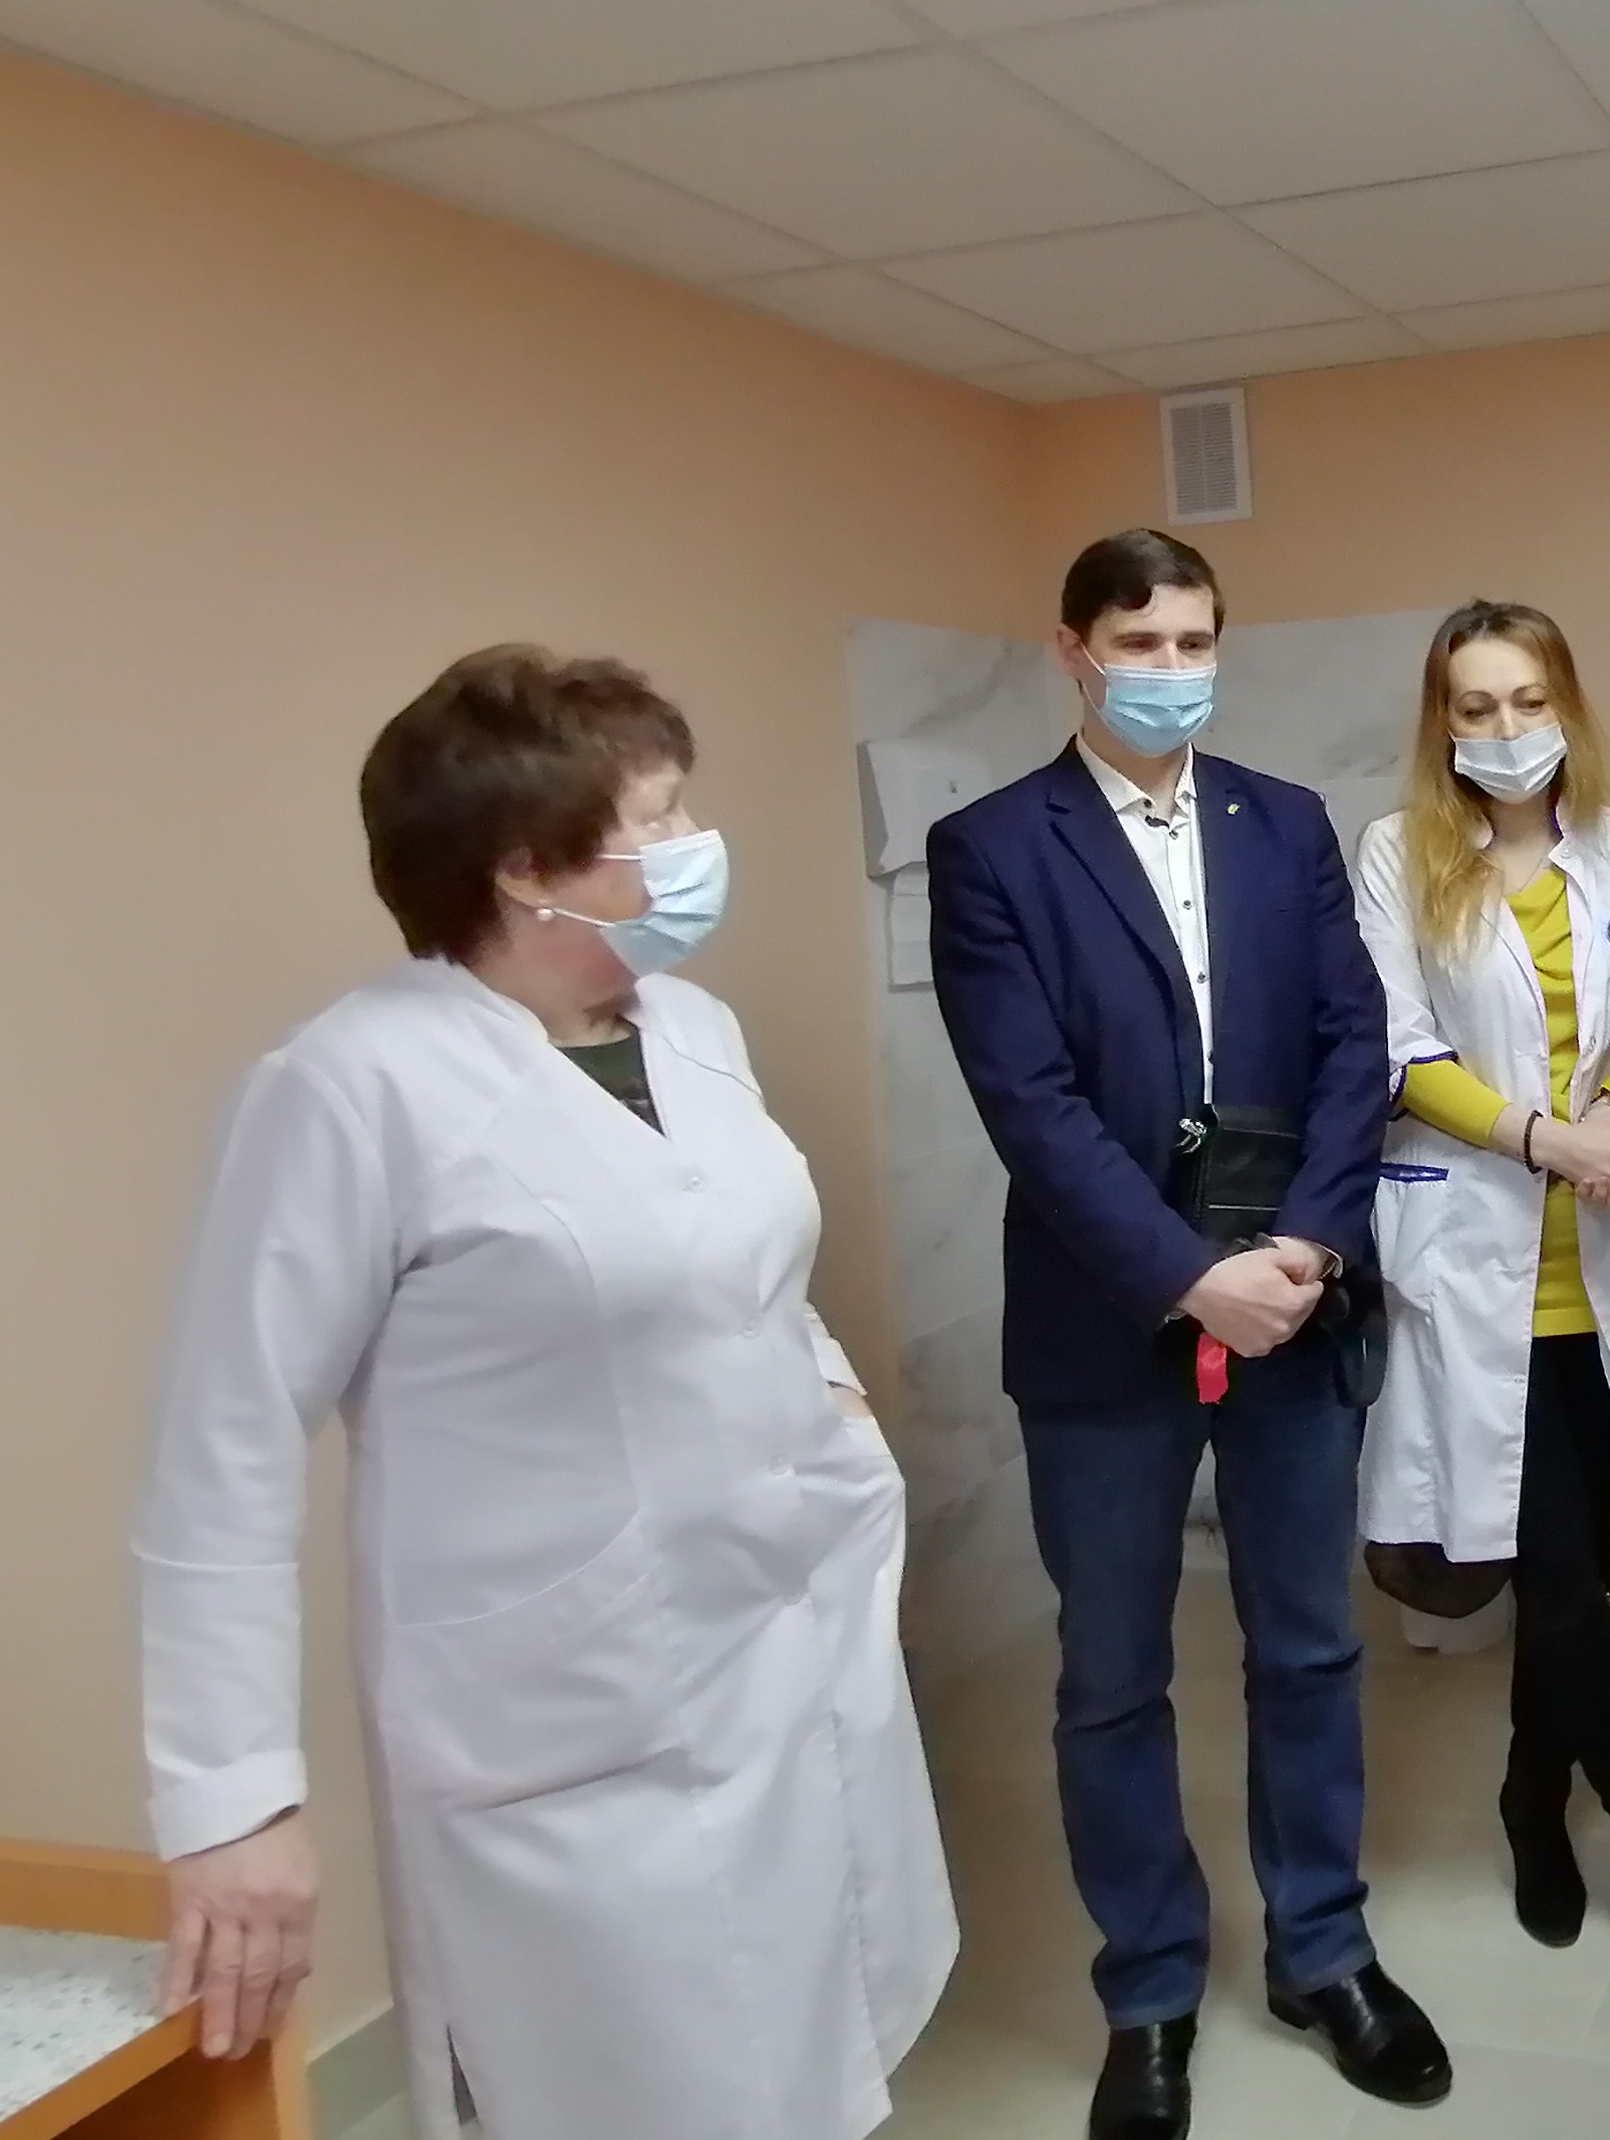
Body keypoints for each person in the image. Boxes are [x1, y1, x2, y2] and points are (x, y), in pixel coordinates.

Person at [135, 646, 955, 2140]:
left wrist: (835, 1412)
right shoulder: (352, 1087)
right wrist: (232, 1801)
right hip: (566, 1718)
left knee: (806, 2048)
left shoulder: (693, 1029)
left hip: (786, 1640)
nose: (698, 844)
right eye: (661, 815)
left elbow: (751, 1266)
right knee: (628, 2087)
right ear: (525, 867)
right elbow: (222, 1455)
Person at [925, 527, 1447, 2140]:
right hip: (1104, 1326)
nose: (1172, 670)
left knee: (1308, 1644)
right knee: (1111, 1673)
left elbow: (1357, 1041)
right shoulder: (992, 850)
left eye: (1195, 641)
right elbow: (1031, 1104)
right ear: (1074, 651)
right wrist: (1182, 1275)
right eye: (1141, 643)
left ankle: (1322, 1951)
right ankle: (1149, 1985)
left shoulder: (1283, 823)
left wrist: (1310, 1242)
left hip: (1291, 1296)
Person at [1350, 600, 1610, 2004]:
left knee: (1570, 1566)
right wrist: (1550, 1142)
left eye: (1527, 701)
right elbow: (1401, 1054)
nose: (1506, 729)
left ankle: (1530, 1791)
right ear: (1443, 723)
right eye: (1476, 707)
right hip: (1475, 1271)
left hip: (1605, 1261)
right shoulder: (1399, 854)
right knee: (1560, 1579)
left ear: (1564, 705)